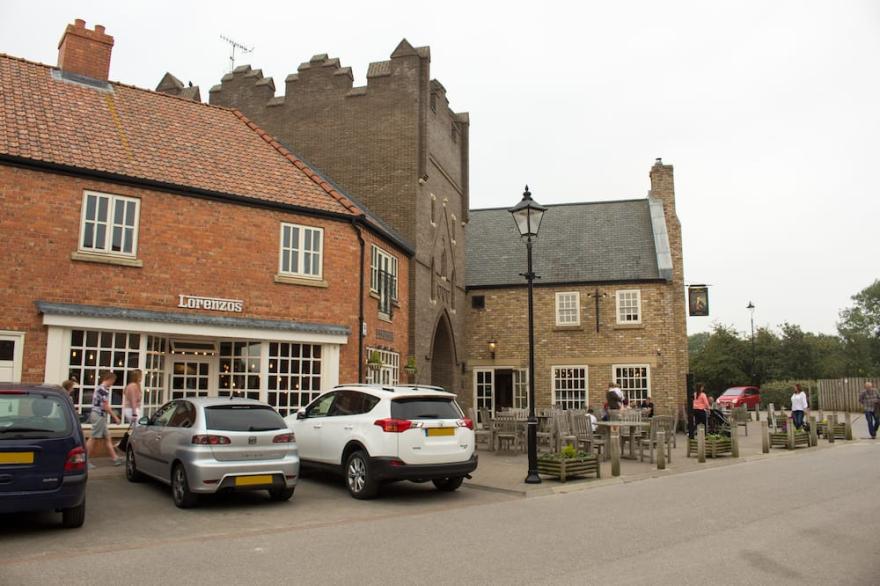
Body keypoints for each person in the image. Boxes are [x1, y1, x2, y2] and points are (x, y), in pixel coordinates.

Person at [86, 371, 122, 468]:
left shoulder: (100, 388)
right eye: (113, 381)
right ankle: (85, 460)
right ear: (110, 379)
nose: (112, 384)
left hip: (98, 415)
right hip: (99, 415)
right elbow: (106, 406)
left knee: (107, 437)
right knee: (93, 438)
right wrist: (115, 417)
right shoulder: (103, 390)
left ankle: (115, 458)